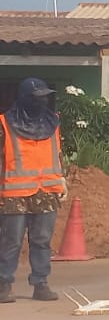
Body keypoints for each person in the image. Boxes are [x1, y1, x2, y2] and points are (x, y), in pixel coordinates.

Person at [1, 78, 65, 303]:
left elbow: (57, 155)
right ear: (25, 98)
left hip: (47, 191)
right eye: (37, 98)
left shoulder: (53, 122)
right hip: (14, 194)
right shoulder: (5, 124)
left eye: (45, 97)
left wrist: (61, 180)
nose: (43, 101)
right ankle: (4, 284)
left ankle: (40, 284)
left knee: (42, 240)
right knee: (11, 240)